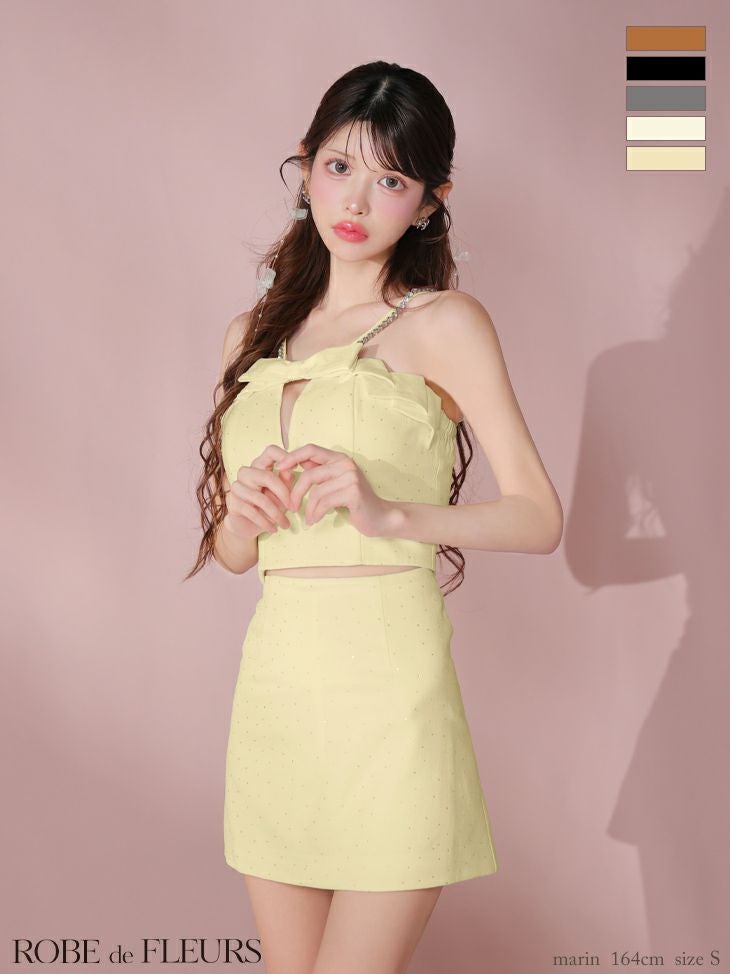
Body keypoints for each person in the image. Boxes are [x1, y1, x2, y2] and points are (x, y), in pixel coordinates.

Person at [187, 61, 563, 974]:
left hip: (392, 694)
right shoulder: (251, 336)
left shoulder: (444, 324)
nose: (357, 201)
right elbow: (237, 554)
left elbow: (538, 517)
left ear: (430, 203)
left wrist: (392, 514)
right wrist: (241, 518)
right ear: (306, 166)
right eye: (339, 167)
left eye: (392, 180)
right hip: (279, 693)